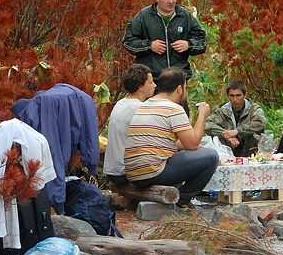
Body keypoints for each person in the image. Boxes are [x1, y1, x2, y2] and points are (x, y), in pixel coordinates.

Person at [124, 67, 218, 207]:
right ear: (179, 89)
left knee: (196, 152)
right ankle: (183, 198)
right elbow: (192, 144)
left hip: (134, 174)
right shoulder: (173, 108)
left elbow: (164, 141)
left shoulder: (146, 105)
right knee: (211, 156)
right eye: (186, 88)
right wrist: (202, 115)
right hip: (154, 172)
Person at [123, 0, 207, 83]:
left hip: (178, 78)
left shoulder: (184, 16)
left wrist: (188, 45)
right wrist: (150, 45)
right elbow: (128, 41)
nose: (171, 1)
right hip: (152, 80)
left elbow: (202, 40)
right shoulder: (144, 16)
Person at [102, 64, 156, 189]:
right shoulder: (139, 108)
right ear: (140, 87)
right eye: (151, 82)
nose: (154, 85)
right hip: (123, 172)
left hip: (112, 169)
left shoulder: (121, 103)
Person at [203, 80, 267, 157]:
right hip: (228, 149)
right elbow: (207, 125)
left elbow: (260, 123)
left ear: (245, 95)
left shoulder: (254, 108)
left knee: (255, 134)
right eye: (232, 96)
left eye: (238, 95)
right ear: (227, 96)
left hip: (250, 150)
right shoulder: (222, 110)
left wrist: (237, 131)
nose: (235, 99)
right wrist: (226, 134)